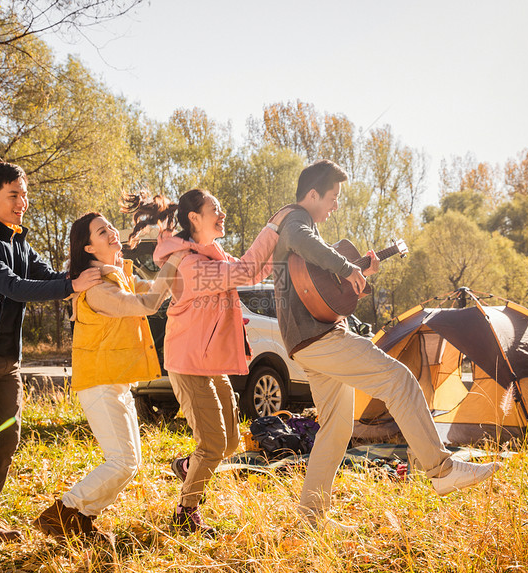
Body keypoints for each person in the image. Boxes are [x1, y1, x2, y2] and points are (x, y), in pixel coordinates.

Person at [271, 159, 501, 532]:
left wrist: (356, 276)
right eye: (332, 197)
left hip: (308, 339)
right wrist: (348, 268)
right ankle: (441, 470)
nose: (335, 206)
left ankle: (310, 521)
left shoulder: (302, 228)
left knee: (335, 428)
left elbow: (324, 296)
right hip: (320, 338)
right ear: (312, 195)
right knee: (400, 380)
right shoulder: (297, 221)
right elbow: (303, 243)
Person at [0, 162, 101, 553]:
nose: (22, 202)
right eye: (14, 195)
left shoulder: (18, 241)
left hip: (5, 359)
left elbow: (45, 274)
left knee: (9, 437)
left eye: (24, 194)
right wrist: (70, 285)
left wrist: (86, 274)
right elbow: (12, 286)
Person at [124, 189, 291, 536]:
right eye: (215, 208)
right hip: (189, 364)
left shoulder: (212, 257)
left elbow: (253, 270)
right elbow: (246, 272)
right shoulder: (191, 264)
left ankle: (188, 466)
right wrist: (273, 225)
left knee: (229, 443)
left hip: (211, 363)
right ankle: (185, 511)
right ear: (194, 218)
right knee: (213, 444)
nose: (223, 213)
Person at [32, 212, 184, 545]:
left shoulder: (117, 277)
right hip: (99, 385)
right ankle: (62, 512)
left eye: (111, 227)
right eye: (103, 231)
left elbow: (162, 288)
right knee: (123, 461)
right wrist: (173, 261)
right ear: (89, 246)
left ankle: (81, 518)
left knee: (130, 462)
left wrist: (178, 258)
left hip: (115, 383)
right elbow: (146, 303)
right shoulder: (98, 289)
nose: (113, 232)